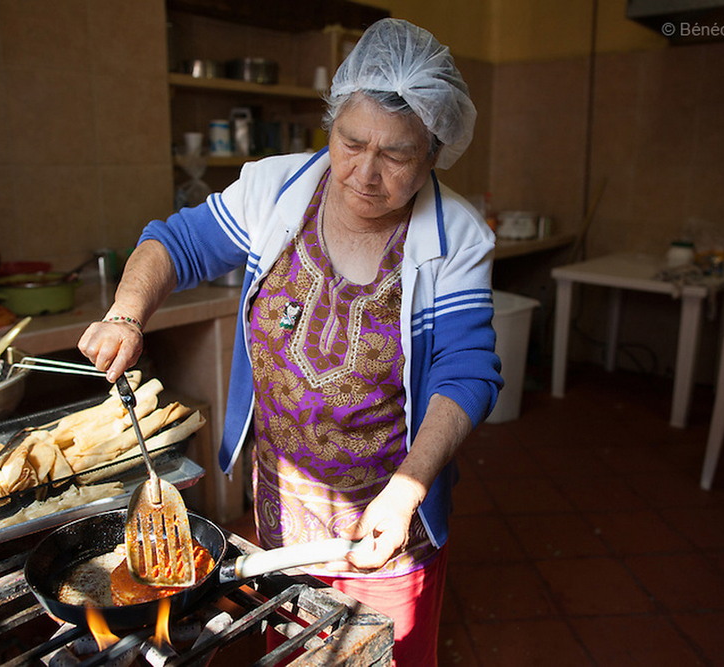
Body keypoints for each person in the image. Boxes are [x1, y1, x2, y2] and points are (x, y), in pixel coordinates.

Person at [78, 17, 502, 666]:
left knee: (382, 654)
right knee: (294, 650)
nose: (364, 172)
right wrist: (127, 313)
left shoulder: (457, 236)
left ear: (435, 152)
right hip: (283, 507)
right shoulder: (273, 188)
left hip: (389, 519)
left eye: (395, 155)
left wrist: (410, 484)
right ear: (331, 123)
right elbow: (176, 242)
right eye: (351, 141)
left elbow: (467, 369)